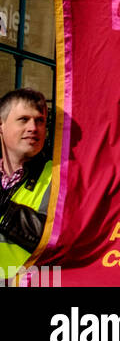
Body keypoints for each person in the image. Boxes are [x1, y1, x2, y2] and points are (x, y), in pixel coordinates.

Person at [0, 88, 53, 272]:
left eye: (40, 121)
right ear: (1, 124)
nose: (33, 128)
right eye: (23, 119)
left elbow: (62, 240)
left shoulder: (60, 177)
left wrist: (5, 209)